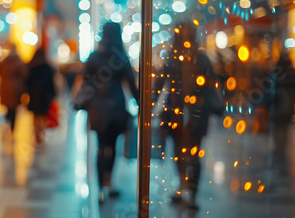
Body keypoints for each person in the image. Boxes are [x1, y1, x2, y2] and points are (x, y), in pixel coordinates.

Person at [153, 22, 216, 210]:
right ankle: (191, 194)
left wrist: (150, 104)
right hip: (197, 113)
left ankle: (182, 186)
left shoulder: (172, 57)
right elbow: (211, 85)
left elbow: (159, 84)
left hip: (176, 112)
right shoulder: (202, 59)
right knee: (194, 154)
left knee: (179, 152)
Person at [76, 22, 139, 203]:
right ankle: (108, 182)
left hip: (97, 109)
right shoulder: (121, 57)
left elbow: (86, 82)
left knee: (101, 146)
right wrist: (142, 105)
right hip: (117, 108)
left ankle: (99, 187)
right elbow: (132, 86)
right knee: (112, 147)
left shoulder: (93, 57)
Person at [27, 48, 56, 146]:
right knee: (43, 116)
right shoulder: (48, 68)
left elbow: (27, 83)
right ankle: (41, 134)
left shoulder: (31, 67)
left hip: (34, 96)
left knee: (35, 117)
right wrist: (53, 95)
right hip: (45, 96)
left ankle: (37, 135)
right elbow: (51, 84)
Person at [0, 43, 28, 133]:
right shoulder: (19, 62)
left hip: (5, 86)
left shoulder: (4, 61)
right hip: (16, 88)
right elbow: (25, 75)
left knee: (8, 105)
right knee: (14, 107)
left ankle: (8, 118)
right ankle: (12, 126)